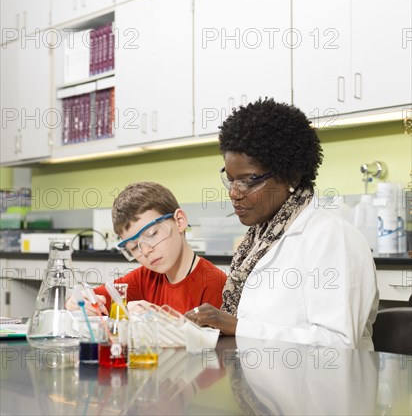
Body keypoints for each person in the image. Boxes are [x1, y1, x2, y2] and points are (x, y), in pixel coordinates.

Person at [186, 98, 379, 350]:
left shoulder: (331, 236)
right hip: (263, 380)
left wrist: (237, 326)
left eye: (248, 180)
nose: (234, 193)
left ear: (291, 176)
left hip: (326, 387)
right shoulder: (259, 240)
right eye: (230, 179)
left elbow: (338, 345)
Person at [66, 182, 226, 315]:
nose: (146, 251)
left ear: (179, 221)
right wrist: (76, 303)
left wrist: (159, 320)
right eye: (134, 247)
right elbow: (91, 298)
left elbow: (207, 346)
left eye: (152, 234)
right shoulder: (144, 278)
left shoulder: (214, 283)